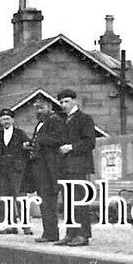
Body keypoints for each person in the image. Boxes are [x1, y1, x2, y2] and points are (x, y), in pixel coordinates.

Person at [56, 88, 97, 246]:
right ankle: (71, 233)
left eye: (66, 101)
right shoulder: (63, 120)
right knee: (68, 202)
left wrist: (71, 147)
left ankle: (83, 235)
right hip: (65, 167)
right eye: (61, 102)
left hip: (79, 166)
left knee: (79, 201)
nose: (63, 105)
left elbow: (90, 142)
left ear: (75, 101)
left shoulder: (84, 119)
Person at [0, 108, 32, 234]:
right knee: (6, 198)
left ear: (12, 120)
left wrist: (22, 165)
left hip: (17, 171)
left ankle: (26, 225)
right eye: (3, 119)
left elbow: (28, 150)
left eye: (7, 119)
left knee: (20, 197)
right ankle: (11, 226)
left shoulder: (20, 134)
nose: (5, 121)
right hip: (3, 172)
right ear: (0, 121)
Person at [27, 98, 65, 242]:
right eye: (37, 108)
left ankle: (51, 233)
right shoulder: (41, 122)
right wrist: (31, 144)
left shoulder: (55, 120)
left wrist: (40, 140)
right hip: (39, 167)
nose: (39, 111)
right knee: (43, 200)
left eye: (41, 108)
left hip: (49, 168)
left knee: (48, 201)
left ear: (49, 106)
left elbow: (58, 139)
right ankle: (47, 232)